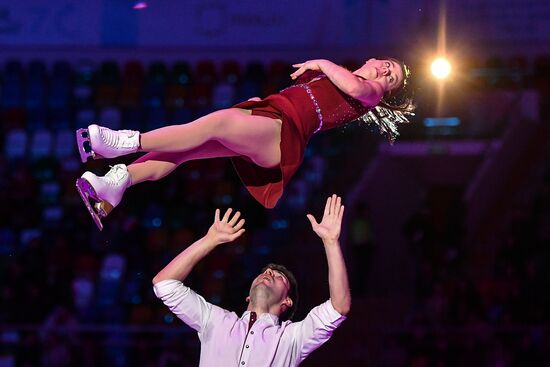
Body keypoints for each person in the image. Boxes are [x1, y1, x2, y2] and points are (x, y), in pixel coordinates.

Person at [76, 58, 414, 229]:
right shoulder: (338, 75)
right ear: (373, 58)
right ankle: (116, 184)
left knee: (216, 123)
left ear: (387, 88)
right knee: (185, 149)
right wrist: (260, 105)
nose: (387, 71)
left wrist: (321, 62)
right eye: (388, 64)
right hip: (271, 119)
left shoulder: (369, 92)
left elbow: (352, 90)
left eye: (392, 77)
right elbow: (300, 98)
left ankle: (123, 142)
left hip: (283, 136)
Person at [152, 194, 350, 366]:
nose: (269, 273)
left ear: (286, 302)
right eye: (264, 272)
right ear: (248, 296)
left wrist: (331, 243)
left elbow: (338, 307)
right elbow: (164, 283)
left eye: (278, 276)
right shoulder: (215, 320)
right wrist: (209, 240)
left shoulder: (292, 339)